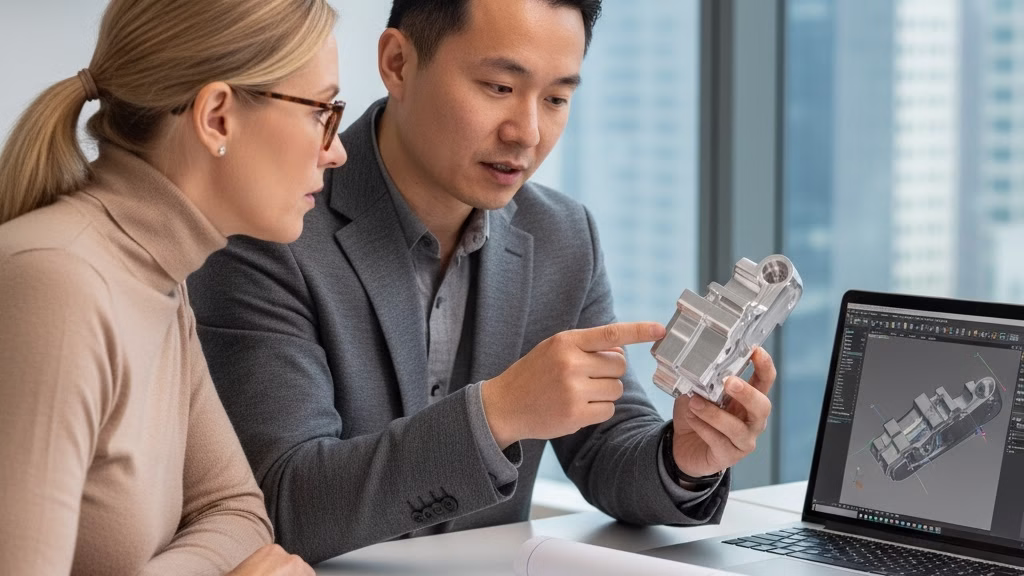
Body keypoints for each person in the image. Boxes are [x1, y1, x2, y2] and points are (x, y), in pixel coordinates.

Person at [188, 0, 776, 564]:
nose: (526, 132)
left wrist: (684, 458)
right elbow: (284, 503)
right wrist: (498, 413)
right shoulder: (271, 226)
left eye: (556, 98)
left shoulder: (564, 236)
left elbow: (604, 445)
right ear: (397, 63)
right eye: (499, 87)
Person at [0, 0, 347, 573]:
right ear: (216, 117)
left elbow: (236, 511)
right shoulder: (58, 286)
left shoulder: (161, 276)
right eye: (321, 113)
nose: (336, 149)